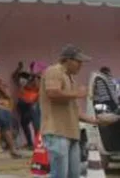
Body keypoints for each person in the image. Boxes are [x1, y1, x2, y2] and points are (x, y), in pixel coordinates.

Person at [41, 44, 109, 178]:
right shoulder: (54, 71)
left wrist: (95, 121)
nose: (81, 65)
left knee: (73, 175)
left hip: (71, 133)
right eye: (78, 61)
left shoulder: (70, 78)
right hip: (57, 132)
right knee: (59, 174)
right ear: (67, 60)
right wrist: (78, 93)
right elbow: (52, 92)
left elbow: (73, 111)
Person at [12, 61, 41, 150]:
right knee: (24, 123)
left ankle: (38, 145)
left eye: (34, 68)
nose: (33, 69)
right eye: (32, 67)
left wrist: (35, 76)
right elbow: (15, 77)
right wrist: (19, 68)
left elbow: (38, 87)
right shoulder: (25, 77)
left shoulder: (38, 79)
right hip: (22, 104)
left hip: (33, 104)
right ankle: (30, 143)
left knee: (36, 124)